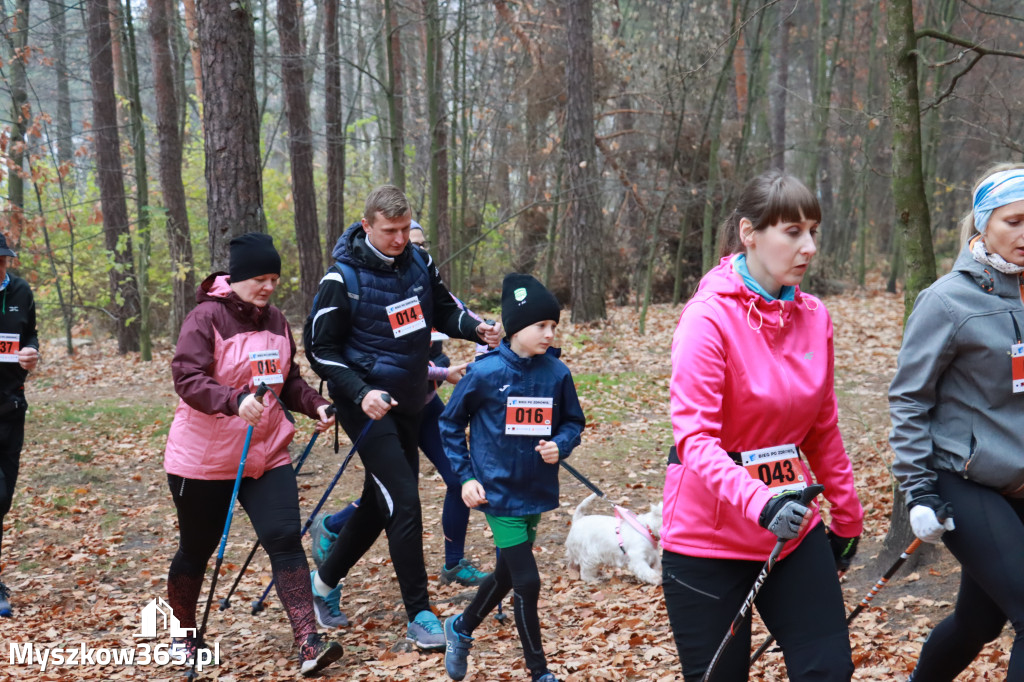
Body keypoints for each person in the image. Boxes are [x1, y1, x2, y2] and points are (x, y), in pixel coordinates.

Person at [662, 170, 864, 682]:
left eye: (813, 231)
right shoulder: (707, 318)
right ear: (750, 233)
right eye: (793, 232)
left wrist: (847, 517)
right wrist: (761, 501)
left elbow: (822, 428)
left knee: (829, 672)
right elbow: (695, 441)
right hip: (708, 542)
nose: (809, 246)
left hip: (792, 532)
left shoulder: (815, 317)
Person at [306, 186, 501, 649]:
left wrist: (475, 327)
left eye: (403, 230)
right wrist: (359, 390)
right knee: (405, 503)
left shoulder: (418, 262)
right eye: (389, 231)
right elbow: (319, 350)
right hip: (368, 407)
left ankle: (322, 585)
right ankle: (420, 613)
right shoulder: (341, 279)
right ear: (366, 224)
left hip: (414, 398)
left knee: (381, 504)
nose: (399, 240)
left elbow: (443, 310)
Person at [164, 233, 343, 676]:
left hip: (266, 454)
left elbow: (290, 379)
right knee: (196, 548)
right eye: (260, 278)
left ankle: (308, 642)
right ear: (238, 277)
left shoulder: (277, 320)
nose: (268, 287)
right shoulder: (205, 317)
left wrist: (316, 404)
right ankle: (182, 635)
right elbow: (186, 377)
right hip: (205, 459)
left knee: (284, 538)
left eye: (274, 279)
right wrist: (231, 399)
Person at [890, 163, 1024, 681]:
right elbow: (908, 399)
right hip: (966, 481)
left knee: (977, 621)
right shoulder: (947, 301)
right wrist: (919, 489)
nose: (1023, 233)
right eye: (1013, 221)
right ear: (983, 223)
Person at [439, 273, 586, 682]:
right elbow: (450, 425)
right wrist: (465, 477)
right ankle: (540, 672)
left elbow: (573, 421)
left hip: (535, 489)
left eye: (553, 326)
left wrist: (562, 443)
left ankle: (461, 627)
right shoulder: (483, 374)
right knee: (526, 580)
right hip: (496, 492)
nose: (549, 332)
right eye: (541, 325)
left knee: (507, 573)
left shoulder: (556, 373)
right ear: (515, 327)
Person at [0, 233, 39, 618]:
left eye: (3, 260)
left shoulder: (20, 290)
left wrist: (32, 353)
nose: (0, 267)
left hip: (11, 408)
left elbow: (29, 335)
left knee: (4, 499)